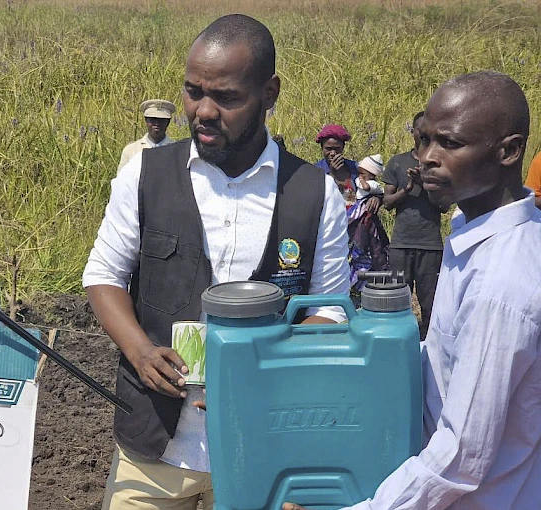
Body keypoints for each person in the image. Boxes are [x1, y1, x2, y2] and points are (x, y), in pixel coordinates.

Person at [83, 14, 350, 510]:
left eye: (226, 97)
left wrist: (256, 375)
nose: (203, 110)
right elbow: (103, 275)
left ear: (269, 93)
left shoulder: (314, 194)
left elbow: (331, 310)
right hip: (152, 453)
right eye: (193, 91)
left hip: (267, 454)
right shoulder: (144, 175)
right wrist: (141, 352)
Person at [285, 71, 541, 510]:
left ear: (508, 151)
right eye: (424, 140)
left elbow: (462, 456)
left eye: (450, 144)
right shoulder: (474, 238)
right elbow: (442, 365)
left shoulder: (499, 283)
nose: (426, 158)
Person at [381, 111, 443, 340]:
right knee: (398, 301)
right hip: (401, 243)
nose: (425, 135)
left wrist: (425, 184)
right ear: (413, 132)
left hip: (430, 245)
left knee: (430, 303)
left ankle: (429, 348)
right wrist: (407, 188)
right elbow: (386, 203)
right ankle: (399, 344)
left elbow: (444, 206)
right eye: (421, 130)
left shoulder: (438, 164)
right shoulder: (398, 162)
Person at [348, 154, 388, 292]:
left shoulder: (370, 184)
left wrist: (360, 180)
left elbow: (366, 188)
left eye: (362, 173)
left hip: (362, 214)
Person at [117, 99, 176, 172]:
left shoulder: (177, 151)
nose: (156, 123)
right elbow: (121, 180)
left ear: (168, 122)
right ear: (146, 120)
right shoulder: (131, 150)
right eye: (152, 119)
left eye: (161, 120)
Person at [315, 123, 358, 207]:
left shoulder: (354, 168)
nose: (333, 153)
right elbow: (317, 198)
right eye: (328, 149)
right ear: (322, 148)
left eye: (337, 149)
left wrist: (375, 198)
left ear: (343, 147)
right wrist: (332, 174)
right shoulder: (316, 170)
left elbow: (369, 189)